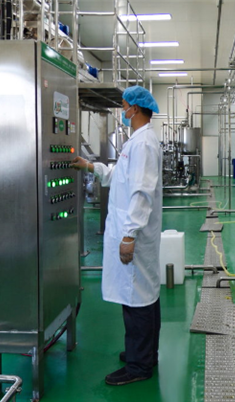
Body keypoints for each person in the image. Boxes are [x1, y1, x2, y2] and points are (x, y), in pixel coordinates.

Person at [71, 86, 162, 385]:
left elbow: (141, 191)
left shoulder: (143, 143)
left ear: (135, 108)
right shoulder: (136, 141)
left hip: (134, 232)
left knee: (137, 298)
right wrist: (91, 166)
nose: (122, 112)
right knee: (142, 295)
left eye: (124, 106)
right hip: (132, 230)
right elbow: (118, 176)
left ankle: (139, 366)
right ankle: (145, 353)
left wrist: (129, 234)